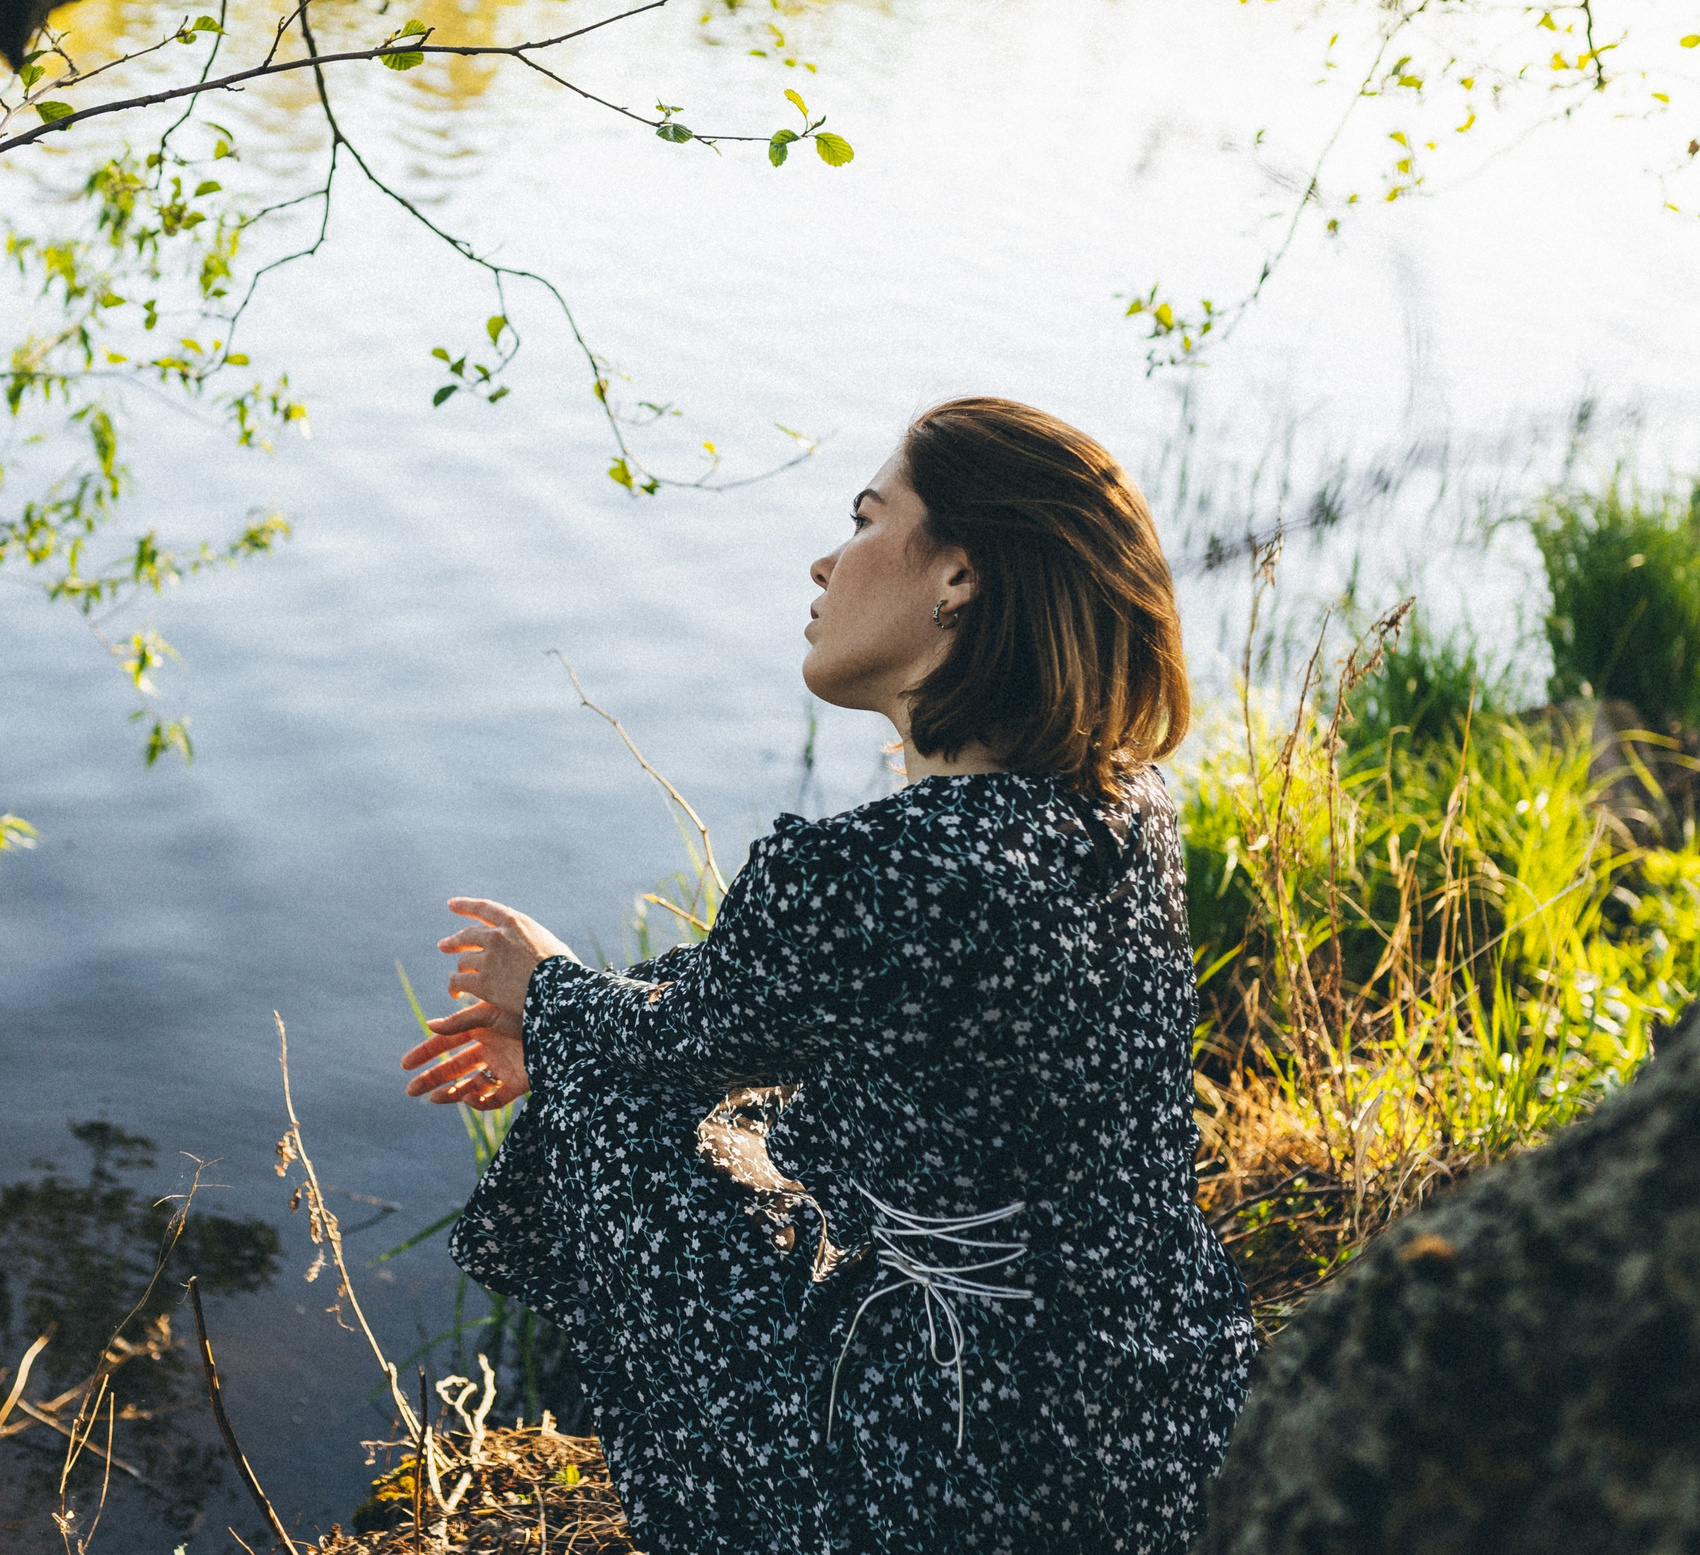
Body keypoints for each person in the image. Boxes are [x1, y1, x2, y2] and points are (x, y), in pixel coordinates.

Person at [398, 396, 1255, 1554]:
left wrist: (540, 992)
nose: (823, 558)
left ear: (959, 576)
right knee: (626, 1064)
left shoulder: (866, 870)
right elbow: (759, 997)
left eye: (864, 517)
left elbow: (673, 1047)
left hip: (962, 1465)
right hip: (1168, 1419)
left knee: (610, 1105)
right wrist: (562, 1022)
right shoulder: (1123, 806)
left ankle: (728, 1525)